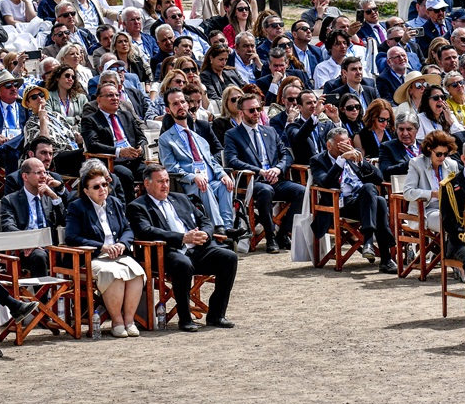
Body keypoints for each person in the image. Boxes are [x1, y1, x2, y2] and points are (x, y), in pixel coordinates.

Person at [127, 164, 239, 332]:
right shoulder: (138, 206)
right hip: (167, 252)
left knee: (229, 257)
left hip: (197, 248)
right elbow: (146, 231)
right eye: (160, 182)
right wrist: (182, 238)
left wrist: (205, 234)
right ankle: (185, 319)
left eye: (166, 181)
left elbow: (206, 221)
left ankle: (216, 315)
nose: (165, 185)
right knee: (183, 264)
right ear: (147, 184)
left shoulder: (181, 198)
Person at [64, 159, 146, 338]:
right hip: (91, 257)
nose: (102, 189)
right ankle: (117, 322)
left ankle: (129, 320)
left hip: (117, 253)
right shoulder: (77, 207)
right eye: (96, 187)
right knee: (113, 274)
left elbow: (127, 229)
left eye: (104, 184)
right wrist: (102, 247)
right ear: (86, 191)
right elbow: (71, 237)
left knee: (137, 272)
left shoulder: (114, 203)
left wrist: (122, 244)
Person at [221, 92, 306, 253]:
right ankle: (270, 237)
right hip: (253, 181)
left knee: (301, 191)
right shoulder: (232, 134)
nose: (256, 113)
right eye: (251, 110)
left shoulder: (270, 131)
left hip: (276, 178)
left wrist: (278, 168)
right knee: (266, 192)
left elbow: (286, 154)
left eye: (258, 109)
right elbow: (232, 160)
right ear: (241, 113)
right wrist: (260, 171)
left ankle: (282, 233)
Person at [311, 127, 398, 273]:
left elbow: (379, 178)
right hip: (339, 204)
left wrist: (361, 162)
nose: (345, 147)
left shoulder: (355, 158)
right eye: (340, 145)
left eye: (347, 143)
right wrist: (340, 161)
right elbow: (324, 182)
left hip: (363, 203)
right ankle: (385, 257)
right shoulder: (318, 160)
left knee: (376, 196)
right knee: (378, 200)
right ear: (329, 145)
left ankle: (369, 242)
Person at [158, 88, 237, 234]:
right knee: (204, 186)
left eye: (182, 102)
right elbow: (170, 167)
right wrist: (193, 176)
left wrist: (222, 174)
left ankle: (228, 226)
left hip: (211, 180)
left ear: (188, 105)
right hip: (189, 184)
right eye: (175, 104)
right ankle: (218, 228)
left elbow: (212, 162)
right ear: (168, 110)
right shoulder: (166, 139)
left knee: (225, 184)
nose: (180, 106)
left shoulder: (199, 138)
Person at [0, 157, 66, 276]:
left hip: (50, 246)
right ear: (25, 177)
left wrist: (55, 197)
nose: (43, 176)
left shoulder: (49, 197)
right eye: (38, 173)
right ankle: (43, 295)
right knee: (38, 256)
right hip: (26, 249)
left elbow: (64, 221)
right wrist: (29, 241)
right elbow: (8, 226)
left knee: (77, 253)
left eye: (45, 172)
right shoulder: (10, 200)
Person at [80, 82, 146, 201]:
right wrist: (119, 152)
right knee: (125, 174)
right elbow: (92, 145)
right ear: (99, 99)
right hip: (112, 162)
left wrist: (140, 147)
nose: (115, 98)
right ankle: (130, 210)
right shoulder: (90, 120)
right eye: (110, 95)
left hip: (134, 159)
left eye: (117, 95)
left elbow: (141, 137)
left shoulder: (127, 115)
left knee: (153, 172)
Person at [404, 129, 459, 232]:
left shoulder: (452, 164)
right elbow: (408, 192)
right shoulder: (416, 163)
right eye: (438, 154)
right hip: (426, 210)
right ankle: (448, 248)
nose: (442, 157)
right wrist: (432, 194)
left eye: (445, 154)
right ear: (429, 149)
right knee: (448, 221)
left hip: (450, 209)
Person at [45, 63, 88, 138]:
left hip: (79, 136)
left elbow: (87, 120)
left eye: (73, 77)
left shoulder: (82, 98)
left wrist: (77, 130)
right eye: (67, 76)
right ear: (57, 78)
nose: (70, 79)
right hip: (57, 136)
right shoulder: (48, 96)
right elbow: (50, 118)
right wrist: (75, 120)